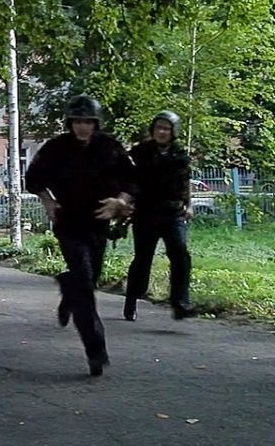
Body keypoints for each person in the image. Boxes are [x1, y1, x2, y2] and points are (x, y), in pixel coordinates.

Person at [25, 95, 135, 376]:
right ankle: (95, 349)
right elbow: (33, 179)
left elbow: (132, 180)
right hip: (69, 222)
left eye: (88, 121)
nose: (82, 126)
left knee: (87, 278)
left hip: (98, 222)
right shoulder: (56, 148)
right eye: (78, 121)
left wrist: (121, 201)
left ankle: (67, 285)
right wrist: (48, 202)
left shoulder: (109, 147)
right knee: (85, 283)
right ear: (70, 123)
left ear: (96, 123)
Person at [123, 111, 197, 321]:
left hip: (173, 212)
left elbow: (185, 182)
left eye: (166, 128)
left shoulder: (180, 155)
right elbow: (129, 179)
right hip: (145, 213)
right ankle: (132, 298)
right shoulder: (140, 153)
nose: (162, 132)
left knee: (180, 253)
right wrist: (126, 203)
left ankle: (180, 302)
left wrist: (189, 205)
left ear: (173, 132)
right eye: (158, 128)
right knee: (143, 258)